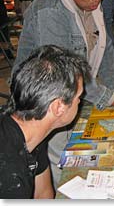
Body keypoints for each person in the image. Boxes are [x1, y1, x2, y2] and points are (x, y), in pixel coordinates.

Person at [12, 0, 114, 188]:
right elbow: (65, 75)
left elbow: (106, 54)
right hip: (43, 101)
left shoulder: (92, 5)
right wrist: (113, 99)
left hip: (74, 93)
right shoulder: (50, 11)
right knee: (60, 158)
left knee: (83, 151)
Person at [0, 45, 90, 198]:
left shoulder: (32, 127)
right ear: (58, 107)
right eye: (78, 98)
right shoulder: (10, 177)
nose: (80, 102)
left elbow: (43, 193)